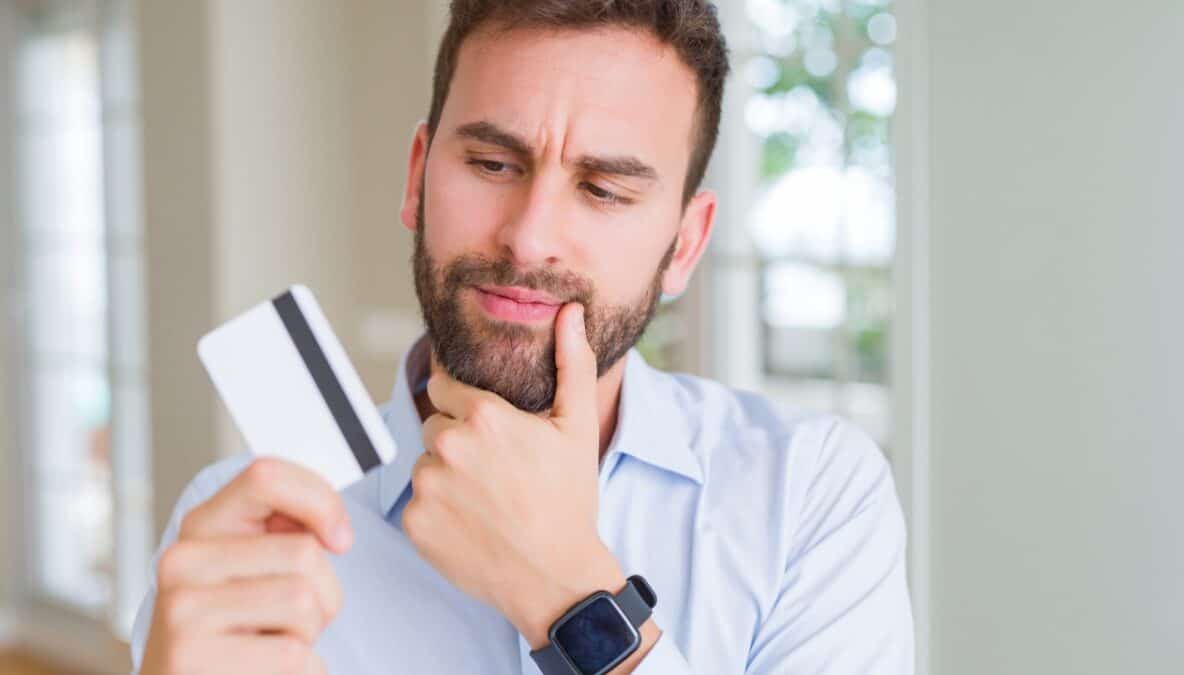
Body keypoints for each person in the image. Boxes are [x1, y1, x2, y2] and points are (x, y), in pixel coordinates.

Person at [130, 1, 914, 673]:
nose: (530, 238)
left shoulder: (810, 495)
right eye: (493, 163)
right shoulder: (245, 524)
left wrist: (571, 597)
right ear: (417, 177)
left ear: (684, 243)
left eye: (604, 190)